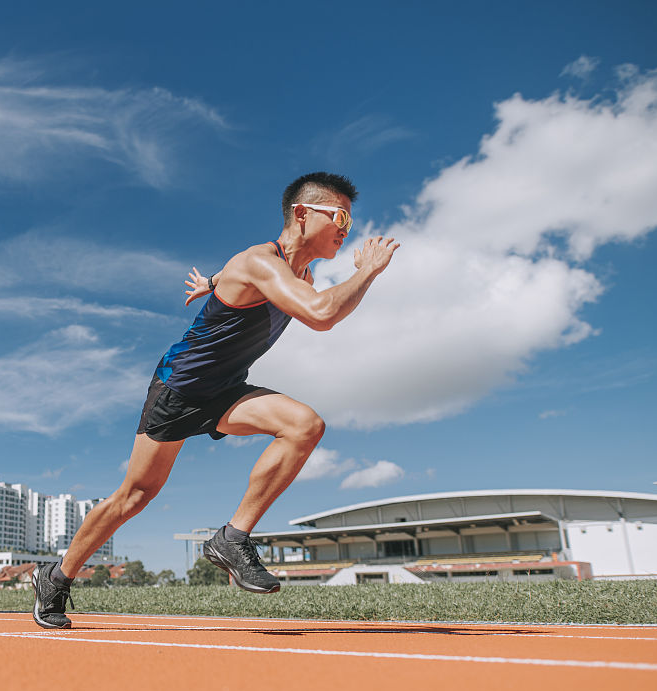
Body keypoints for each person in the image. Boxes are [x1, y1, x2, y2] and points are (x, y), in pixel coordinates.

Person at [32, 172, 399, 629]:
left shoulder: (295, 271)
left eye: (350, 218)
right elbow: (320, 314)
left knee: (305, 425)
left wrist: (211, 281)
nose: (346, 228)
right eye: (339, 215)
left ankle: (233, 536)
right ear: (302, 214)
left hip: (225, 389)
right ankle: (57, 577)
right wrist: (367, 271)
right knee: (134, 496)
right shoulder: (262, 261)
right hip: (179, 388)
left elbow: (245, 277)